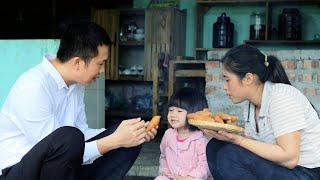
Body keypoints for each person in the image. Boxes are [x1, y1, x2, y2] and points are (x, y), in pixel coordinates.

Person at [0, 21, 157, 180]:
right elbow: (59, 151)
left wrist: (132, 133)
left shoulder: (75, 85)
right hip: (17, 170)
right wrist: (112, 141)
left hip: (58, 165)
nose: (102, 71)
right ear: (77, 63)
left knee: (127, 137)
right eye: (100, 64)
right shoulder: (33, 87)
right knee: (70, 137)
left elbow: (83, 134)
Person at [204, 44, 320, 180]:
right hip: (282, 169)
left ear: (248, 78)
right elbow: (257, 149)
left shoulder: (281, 96)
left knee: (230, 155)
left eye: (227, 79)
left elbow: (290, 158)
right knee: (215, 146)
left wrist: (239, 140)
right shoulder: (249, 106)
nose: (225, 87)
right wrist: (229, 135)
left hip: (306, 173)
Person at [155, 87, 212, 180]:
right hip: (172, 177)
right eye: (171, 110)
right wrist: (166, 173)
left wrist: (187, 178)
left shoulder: (201, 139)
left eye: (179, 111)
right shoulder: (168, 135)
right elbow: (163, 156)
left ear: (193, 113)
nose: (173, 114)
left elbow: (205, 165)